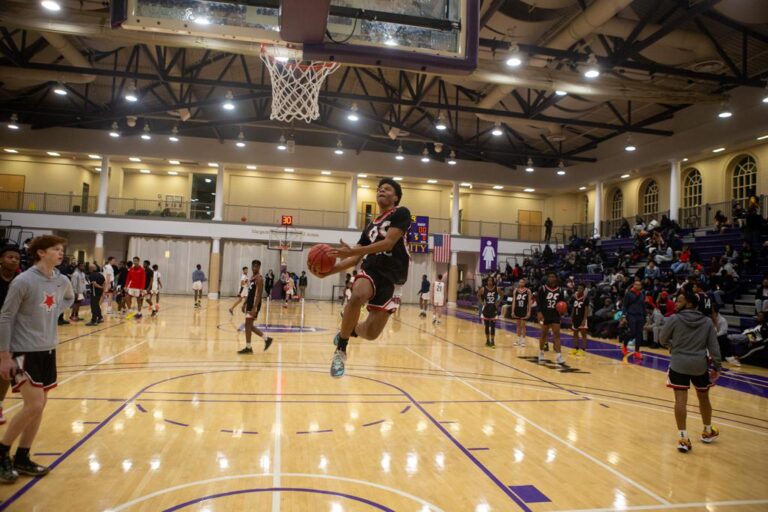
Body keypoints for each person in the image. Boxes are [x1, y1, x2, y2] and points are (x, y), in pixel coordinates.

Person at [313, 178, 410, 378]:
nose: (381, 190)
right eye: (379, 189)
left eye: (387, 189)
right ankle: (341, 348)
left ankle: (349, 329)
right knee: (358, 295)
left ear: (396, 197)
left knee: (372, 333)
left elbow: (388, 243)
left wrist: (354, 251)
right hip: (372, 269)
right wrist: (327, 271)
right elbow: (356, 256)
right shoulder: (369, 226)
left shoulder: (401, 213)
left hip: (391, 279)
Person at [0, 235, 74, 481]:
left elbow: (70, 298)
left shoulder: (61, 280)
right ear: (41, 252)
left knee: (40, 406)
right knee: (34, 404)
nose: (61, 253)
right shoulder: (23, 281)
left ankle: (22, 456)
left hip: (48, 349)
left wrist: (51, 315)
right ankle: (2, 454)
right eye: (56, 249)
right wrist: (4, 355)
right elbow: (6, 316)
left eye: (61, 249)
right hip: (24, 350)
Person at [659, 289, 721, 453]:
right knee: (703, 397)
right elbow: (714, 347)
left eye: (680, 301)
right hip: (699, 365)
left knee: (680, 400)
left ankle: (683, 438)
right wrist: (717, 366)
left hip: (678, 363)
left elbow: (662, 339)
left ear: (691, 304)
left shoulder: (674, 319)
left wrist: (672, 345)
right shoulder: (707, 322)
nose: (677, 303)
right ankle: (707, 431)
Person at [0, 246, 20, 425]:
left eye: (17, 258)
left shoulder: (21, 280)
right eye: (10, 257)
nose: (14, 260)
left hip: (10, 330)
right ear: (1, 259)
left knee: (4, 372)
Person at [237, 259, 274, 354]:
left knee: (248, 324)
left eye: (257, 266)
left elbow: (259, 294)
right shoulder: (252, 277)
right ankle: (266, 339)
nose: (255, 268)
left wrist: (254, 308)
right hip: (249, 303)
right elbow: (250, 292)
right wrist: (244, 303)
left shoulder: (259, 278)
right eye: (253, 266)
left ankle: (249, 347)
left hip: (254, 304)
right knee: (249, 325)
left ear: (259, 267)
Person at [537, 272, 566, 365]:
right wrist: (539, 312)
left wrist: (563, 310)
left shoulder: (560, 290)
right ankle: (541, 353)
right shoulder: (542, 288)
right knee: (544, 335)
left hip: (555, 315)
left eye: (553, 276)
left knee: (557, 335)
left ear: (556, 278)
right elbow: (539, 302)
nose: (551, 278)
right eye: (549, 276)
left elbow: (562, 302)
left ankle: (559, 356)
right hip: (545, 314)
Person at [622, 280, 646, 359]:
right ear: (633, 285)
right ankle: (624, 345)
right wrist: (623, 316)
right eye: (636, 284)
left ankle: (637, 352)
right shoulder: (628, 294)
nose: (637, 286)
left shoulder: (642, 294)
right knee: (632, 332)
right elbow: (624, 305)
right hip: (631, 315)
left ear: (641, 286)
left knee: (639, 334)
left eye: (639, 285)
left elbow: (643, 306)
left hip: (640, 316)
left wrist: (644, 316)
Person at [478, 276, 501, 348]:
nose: (490, 282)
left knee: (493, 326)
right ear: (487, 281)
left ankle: (493, 341)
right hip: (486, 308)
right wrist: (482, 302)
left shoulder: (497, 288)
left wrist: (498, 302)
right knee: (487, 326)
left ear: (493, 281)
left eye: (491, 281)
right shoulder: (483, 289)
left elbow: (502, 295)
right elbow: (478, 295)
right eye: (488, 281)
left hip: (493, 309)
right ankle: (487, 340)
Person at [569, 284, 589, 356]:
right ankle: (575, 348)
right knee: (575, 333)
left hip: (582, 317)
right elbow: (574, 308)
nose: (579, 289)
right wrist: (571, 317)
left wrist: (584, 319)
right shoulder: (574, 297)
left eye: (581, 288)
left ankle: (583, 349)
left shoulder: (585, 298)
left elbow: (586, 310)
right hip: (575, 317)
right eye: (578, 288)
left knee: (583, 334)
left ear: (583, 290)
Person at [512, 279, 532, 346]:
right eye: (520, 282)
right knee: (518, 326)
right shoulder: (515, 290)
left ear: (524, 283)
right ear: (518, 283)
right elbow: (514, 301)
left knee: (523, 326)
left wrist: (529, 312)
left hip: (524, 309)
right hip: (517, 309)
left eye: (522, 282)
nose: (521, 283)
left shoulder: (528, 291)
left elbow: (529, 302)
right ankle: (518, 340)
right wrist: (512, 311)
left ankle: (523, 341)